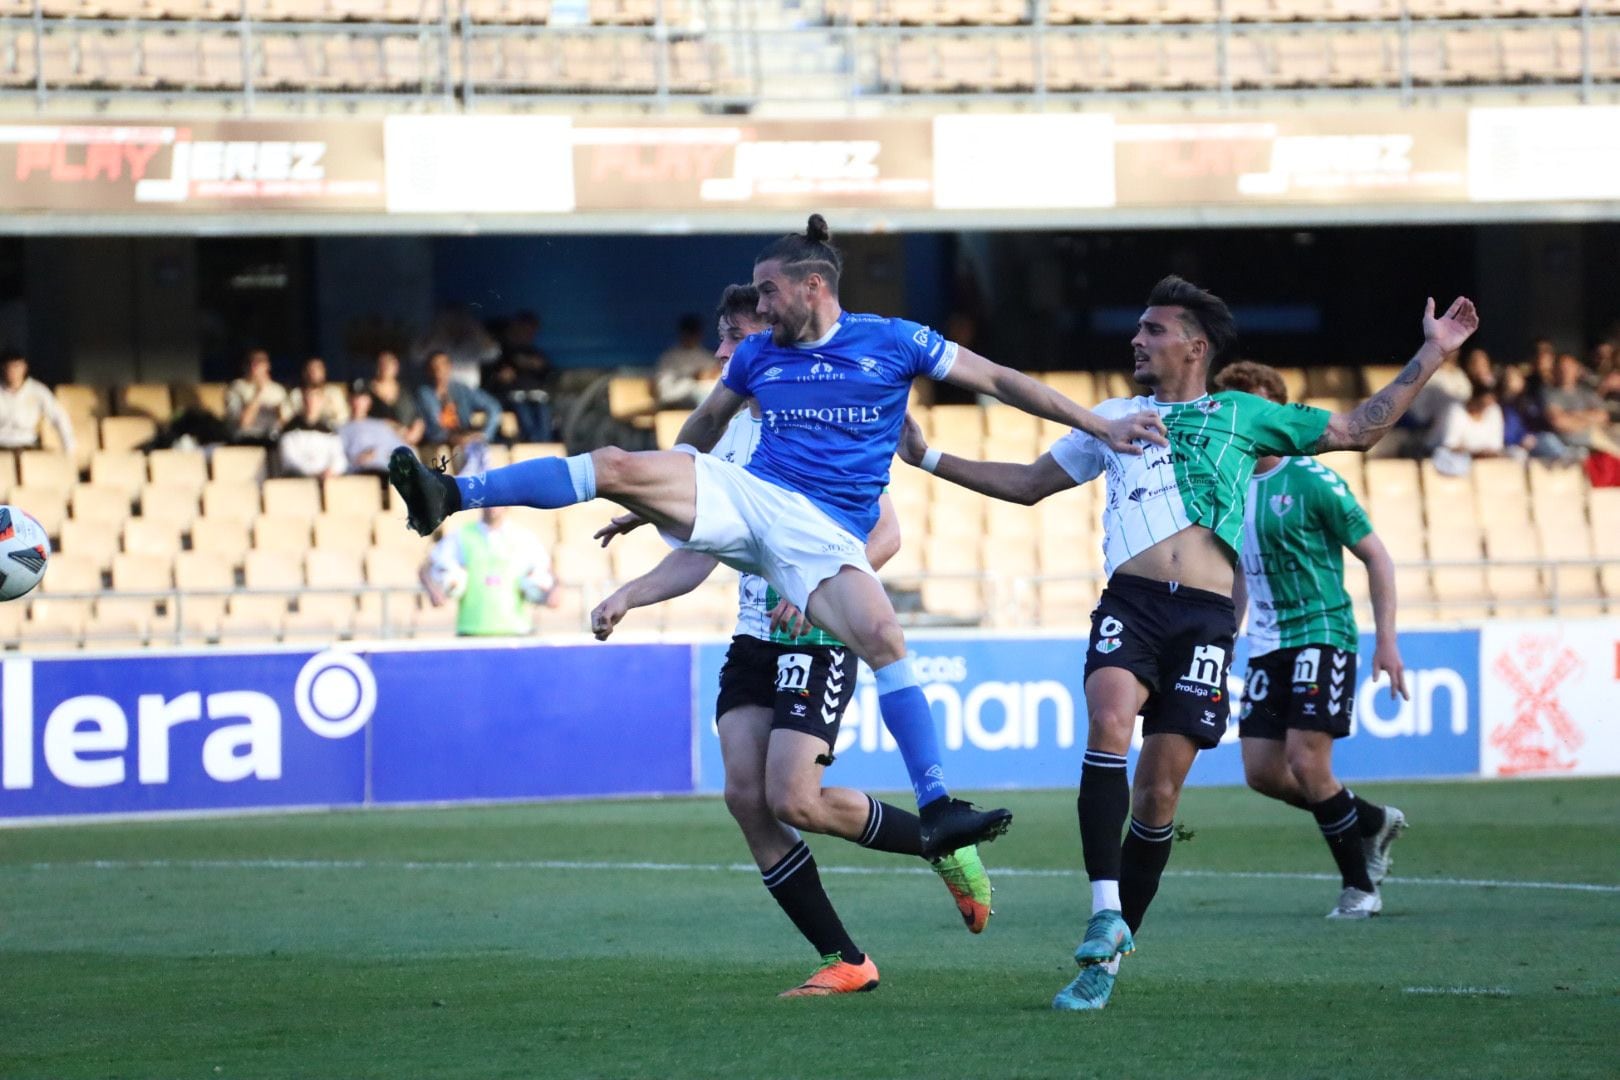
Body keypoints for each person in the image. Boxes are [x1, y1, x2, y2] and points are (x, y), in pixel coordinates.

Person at [388, 214, 1168, 861]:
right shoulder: (760, 354)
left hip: (822, 535)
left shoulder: (894, 340)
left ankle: (937, 809)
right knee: (618, 459)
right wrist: (657, 495)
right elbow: (702, 430)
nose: (759, 308)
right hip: (750, 495)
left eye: (769, 291)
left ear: (813, 287)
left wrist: (1097, 421)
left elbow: (1002, 381)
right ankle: (450, 491)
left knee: (884, 635)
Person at [896, 275, 1478, 1011]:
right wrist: (927, 460)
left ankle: (1107, 959)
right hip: (1131, 605)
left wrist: (1431, 354)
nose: (1137, 340)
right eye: (1138, 329)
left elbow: (1358, 428)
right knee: (1107, 721)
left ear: (1195, 346)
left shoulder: (1245, 417)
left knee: (1160, 795)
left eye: (1154, 329)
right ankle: (1103, 905)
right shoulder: (1111, 418)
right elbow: (1027, 484)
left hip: (1206, 621)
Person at [590, 284, 994, 998]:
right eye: (720, 339)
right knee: (746, 798)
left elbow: (886, 531)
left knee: (795, 798)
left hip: (813, 636)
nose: (723, 353)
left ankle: (940, 842)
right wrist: (630, 593)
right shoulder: (722, 438)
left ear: (769, 343)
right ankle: (847, 959)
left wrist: (805, 590)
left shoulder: (809, 419)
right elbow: (697, 555)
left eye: (734, 338)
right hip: (752, 641)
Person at [1212, 361, 1411, 920]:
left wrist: (1386, 641)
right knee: (1262, 773)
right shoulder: (1229, 486)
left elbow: (1376, 555)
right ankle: (1369, 821)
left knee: (1306, 760)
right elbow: (1239, 574)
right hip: (1267, 644)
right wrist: (1223, 639)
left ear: (1280, 414)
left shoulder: (1311, 478)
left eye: (1254, 407)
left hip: (1321, 633)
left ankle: (1360, 888)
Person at [422, 504, 557, 636]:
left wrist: (555, 591)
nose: (492, 506)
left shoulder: (524, 538)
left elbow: (549, 568)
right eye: (489, 500)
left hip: (516, 632)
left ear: (507, 504)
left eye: (498, 501)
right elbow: (425, 568)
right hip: (471, 631)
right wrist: (434, 592)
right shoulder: (461, 535)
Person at [415, 350, 503, 448]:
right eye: (435, 366)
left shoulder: (461, 389)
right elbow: (433, 427)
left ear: (449, 367)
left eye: (443, 365)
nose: (439, 370)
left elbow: (493, 406)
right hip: (439, 443)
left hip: (465, 436)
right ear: (429, 370)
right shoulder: (424, 394)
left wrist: (485, 435)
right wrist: (454, 439)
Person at [0, 350, 75, 454]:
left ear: (24, 367)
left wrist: (69, 448)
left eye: (17, 367)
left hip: (28, 446)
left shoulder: (38, 390)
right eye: (9, 367)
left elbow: (58, 416)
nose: (13, 372)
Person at [654, 312, 721, 408]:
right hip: (678, 404)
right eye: (688, 333)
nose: (691, 338)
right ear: (682, 334)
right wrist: (693, 378)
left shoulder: (706, 358)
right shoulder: (669, 358)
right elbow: (665, 393)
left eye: (694, 334)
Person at [225, 347, 289, 445]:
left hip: (273, 437)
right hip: (245, 438)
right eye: (250, 362)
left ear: (267, 366)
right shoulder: (236, 388)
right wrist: (258, 393)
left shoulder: (278, 390)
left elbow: (286, 423)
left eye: (259, 362)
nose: (254, 365)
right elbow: (243, 423)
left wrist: (279, 412)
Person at [339, 382, 407, 476]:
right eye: (354, 397)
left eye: (362, 398)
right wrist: (357, 461)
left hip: (385, 474)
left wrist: (380, 455)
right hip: (358, 475)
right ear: (348, 400)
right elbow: (337, 462)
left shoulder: (381, 426)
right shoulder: (340, 429)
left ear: (369, 401)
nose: (358, 402)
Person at [366, 350, 424, 446]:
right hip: (380, 442)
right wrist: (394, 428)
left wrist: (414, 433)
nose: (386, 366)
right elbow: (366, 420)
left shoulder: (405, 390)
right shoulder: (367, 390)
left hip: (408, 441)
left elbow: (417, 416)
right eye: (382, 363)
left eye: (390, 362)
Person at [287, 357, 351, 430]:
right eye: (310, 369)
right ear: (304, 373)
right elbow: (287, 418)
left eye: (318, 369)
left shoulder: (334, 393)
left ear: (324, 372)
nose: (314, 373)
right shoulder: (296, 394)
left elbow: (343, 418)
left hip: (329, 434)